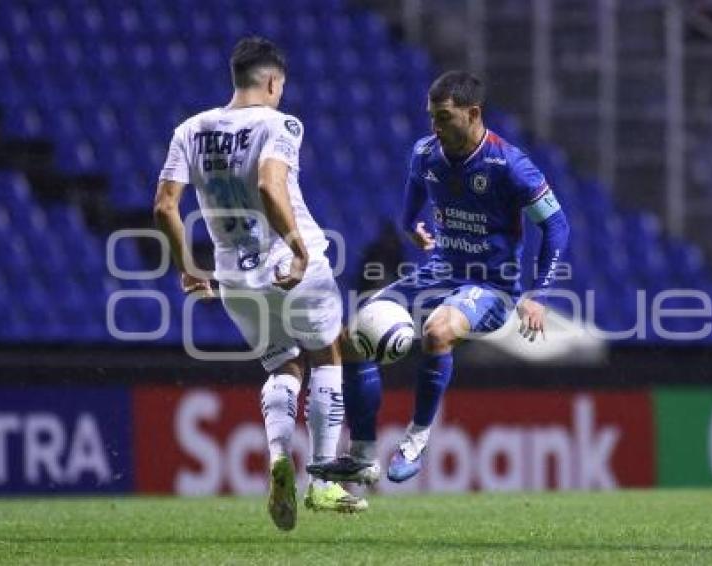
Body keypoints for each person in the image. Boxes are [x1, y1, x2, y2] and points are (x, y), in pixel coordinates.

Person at [308, 70, 570, 485]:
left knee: (438, 330)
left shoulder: (511, 166)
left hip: (491, 286)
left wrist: (539, 292)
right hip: (439, 271)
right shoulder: (425, 154)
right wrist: (412, 225)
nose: (435, 126)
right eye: (431, 116)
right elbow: (411, 204)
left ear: (473, 114)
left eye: (444, 117)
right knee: (352, 338)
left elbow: (556, 225)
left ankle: (416, 437)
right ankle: (360, 455)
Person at [153, 37, 365, 531]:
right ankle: (324, 480)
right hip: (291, 267)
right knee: (329, 352)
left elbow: (164, 205)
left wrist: (186, 264)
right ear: (273, 82)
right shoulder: (280, 123)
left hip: (234, 276)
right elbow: (271, 185)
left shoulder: (191, 129)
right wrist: (297, 248)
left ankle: (276, 457)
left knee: (282, 364)